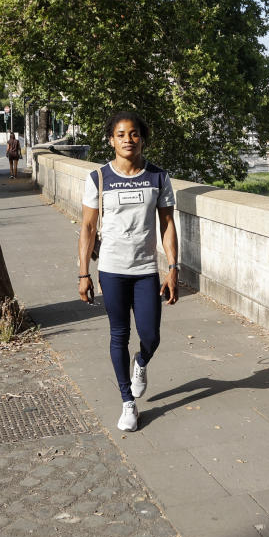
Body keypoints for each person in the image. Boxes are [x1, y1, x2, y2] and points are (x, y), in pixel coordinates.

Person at [77, 112, 179, 432]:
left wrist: (173, 267)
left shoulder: (158, 177)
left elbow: (167, 224)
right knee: (118, 335)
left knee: (151, 335)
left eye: (133, 134)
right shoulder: (99, 178)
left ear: (142, 138)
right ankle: (127, 403)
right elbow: (88, 227)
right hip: (112, 269)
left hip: (146, 269)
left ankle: (142, 362)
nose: (127, 139)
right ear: (111, 140)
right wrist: (84, 273)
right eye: (120, 134)